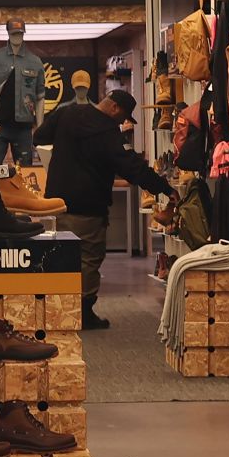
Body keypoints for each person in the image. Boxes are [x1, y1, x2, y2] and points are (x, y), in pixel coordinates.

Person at [34, 90, 176, 329]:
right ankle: (84, 313)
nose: (123, 122)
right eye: (124, 117)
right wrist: (164, 187)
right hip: (88, 206)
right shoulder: (108, 132)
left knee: (61, 256)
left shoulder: (66, 113)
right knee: (89, 258)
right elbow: (131, 167)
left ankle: (57, 309)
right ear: (115, 108)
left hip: (56, 203)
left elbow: (39, 136)